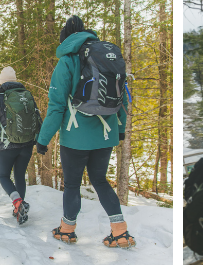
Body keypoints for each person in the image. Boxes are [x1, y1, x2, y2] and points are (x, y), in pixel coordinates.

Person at [36, 15, 134, 248]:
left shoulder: (68, 61)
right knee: (100, 180)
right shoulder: (106, 57)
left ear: (65, 39)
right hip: (105, 133)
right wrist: (119, 129)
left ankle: (67, 230)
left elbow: (56, 106)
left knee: (71, 184)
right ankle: (120, 232)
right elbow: (122, 99)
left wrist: (43, 139)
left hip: (76, 137)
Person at [0, 66, 41, 225]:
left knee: (3, 175)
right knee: (19, 175)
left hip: (6, 145)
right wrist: (40, 142)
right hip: (26, 145)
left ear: (1, 82)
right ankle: (20, 207)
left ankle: (18, 204)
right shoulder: (28, 95)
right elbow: (38, 120)